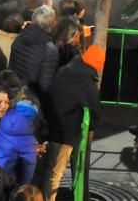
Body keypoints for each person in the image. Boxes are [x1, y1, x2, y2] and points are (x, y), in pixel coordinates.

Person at [42, 44, 104, 200]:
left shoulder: (66, 69)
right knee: (55, 174)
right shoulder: (87, 85)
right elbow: (96, 112)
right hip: (65, 133)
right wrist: (90, 126)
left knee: (50, 170)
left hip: (51, 123)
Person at [8, 5, 58, 93]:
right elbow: (45, 84)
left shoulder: (19, 38)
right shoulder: (49, 49)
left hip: (13, 90)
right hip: (31, 98)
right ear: (53, 24)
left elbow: (11, 68)